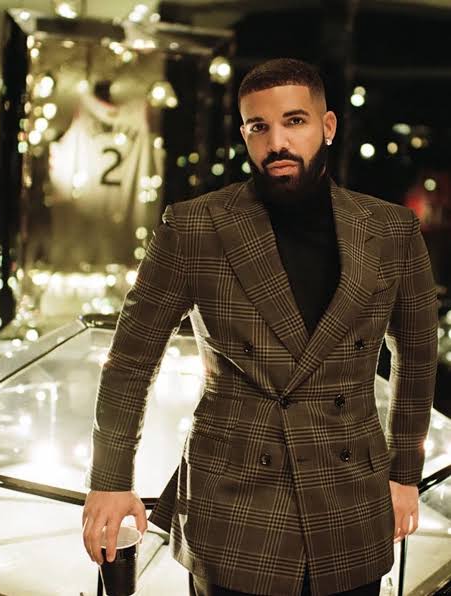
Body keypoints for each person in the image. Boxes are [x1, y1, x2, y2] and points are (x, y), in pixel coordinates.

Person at [82, 58, 438, 596]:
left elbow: (416, 353)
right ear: (245, 134)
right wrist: (110, 479)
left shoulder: (391, 229)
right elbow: (132, 359)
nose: (277, 142)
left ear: (327, 125)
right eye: (259, 127)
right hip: (234, 502)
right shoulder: (195, 226)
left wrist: (404, 470)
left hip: (351, 497)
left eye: (294, 121)